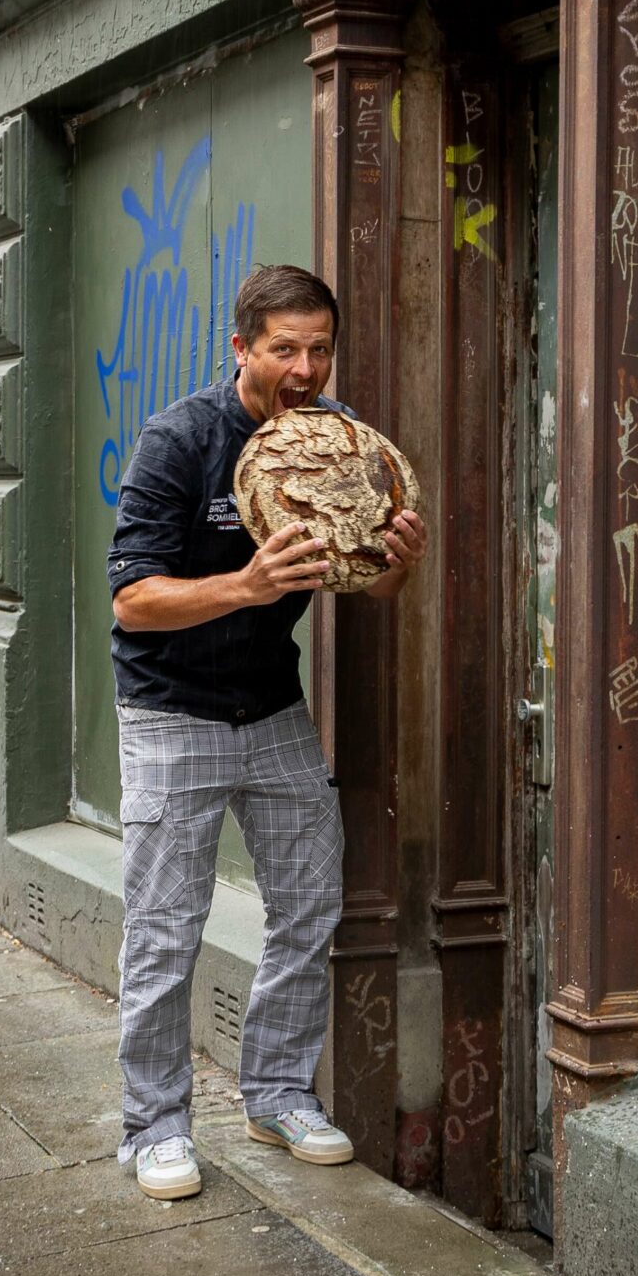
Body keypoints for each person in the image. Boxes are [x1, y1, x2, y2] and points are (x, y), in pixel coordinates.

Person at [106, 263, 427, 1202]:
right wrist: (247, 583)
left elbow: (364, 584)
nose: (304, 367)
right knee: (166, 931)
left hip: (273, 710)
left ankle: (278, 1092)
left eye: (319, 347)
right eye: (284, 347)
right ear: (240, 347)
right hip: (171, 712)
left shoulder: (337, 440)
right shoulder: (180, 440)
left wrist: (397, 563)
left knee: (309, 904)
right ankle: (154, 1126)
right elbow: (132, 601)